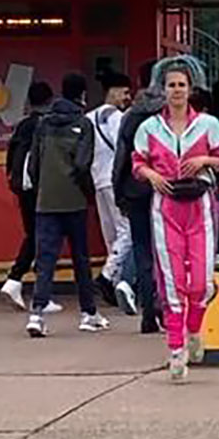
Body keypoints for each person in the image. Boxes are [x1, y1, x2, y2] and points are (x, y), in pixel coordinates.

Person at [131, 58, 219, 382]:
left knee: (201, 283)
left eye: (181, 85)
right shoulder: (148, 128)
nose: (176, 91)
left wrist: (205, 159)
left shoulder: (208, 125)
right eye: (171, 85)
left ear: (191, 90)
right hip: (165, 208)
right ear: (162, 89)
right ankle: (176, 350)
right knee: (171, 283)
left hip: (200, 207)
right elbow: (136, 163)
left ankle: (194, 330)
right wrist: (150, 176)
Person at [23, 73, 109, 336]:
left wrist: (42, 189)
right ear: (83, 94)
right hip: (74, 200)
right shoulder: (83, 124)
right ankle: (88, 313)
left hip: (46, 201)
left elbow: (34, 163)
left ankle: (37, 314)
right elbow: (83, 164)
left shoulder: (43, 124)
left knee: (46, 258)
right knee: (81, 259)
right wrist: (86, 192)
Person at [112, 59, 167, 335]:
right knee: (167, 253)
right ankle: (165, 309)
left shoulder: (131, 115)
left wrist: (118, 190)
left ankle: (148, 313)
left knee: (143, 251)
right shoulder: (167, 115)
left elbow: (121, 156)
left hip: (134, 190)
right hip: (165, 191)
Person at [0, 81, 64, 314]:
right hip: (43, 187)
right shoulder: (47, 125)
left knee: (34, 235)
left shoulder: (22, 125)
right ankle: (32, 288)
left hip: (21, 187)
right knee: (45, 237)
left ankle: (17, 281)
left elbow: (10, 155)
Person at [89, 73, 137, 314]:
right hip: (115, 180)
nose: (127, 98)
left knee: (111, 233)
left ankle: (114, 280)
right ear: (114, 92)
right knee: (127, 230)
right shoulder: (120, 118)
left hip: (97, 179)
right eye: (125, 93)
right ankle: (108, 276)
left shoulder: (89, 118)